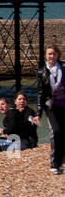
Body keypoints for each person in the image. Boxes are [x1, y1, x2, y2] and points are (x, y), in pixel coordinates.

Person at [36, 44, 65, 174]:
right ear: (45, 56)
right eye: (49, 54)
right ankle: (54, 163)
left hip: (63, 105)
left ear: (58, 55)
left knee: (63, 134)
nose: (51, 56)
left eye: (53, 53)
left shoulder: (63, 69)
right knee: (56, 131)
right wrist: (38, 113)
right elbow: (41, 94)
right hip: (51, 106)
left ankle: (60, 162)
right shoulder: (41, 72)